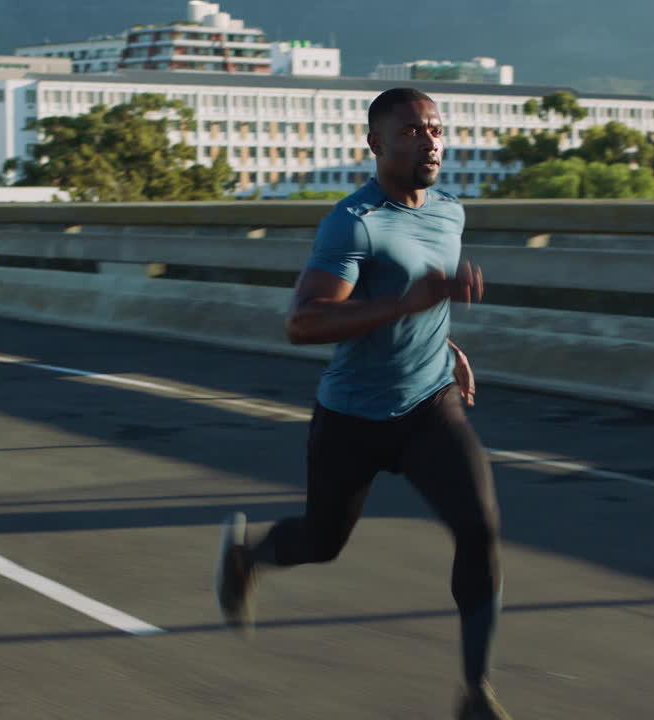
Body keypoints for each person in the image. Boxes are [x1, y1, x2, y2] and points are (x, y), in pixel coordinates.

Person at [215, 87, 510, 720]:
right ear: (375, 144)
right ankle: (249, 557)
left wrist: (445, 341)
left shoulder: (451, 211)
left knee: (479, 528)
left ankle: (474, 692)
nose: (428, 141)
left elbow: (422, 299)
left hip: (429, 405)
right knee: (322, 542)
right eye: (409, 132)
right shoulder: (355, 220)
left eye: (434, 130)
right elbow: (303, 322)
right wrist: (408, 306)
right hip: (353, 416)